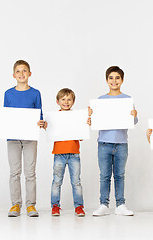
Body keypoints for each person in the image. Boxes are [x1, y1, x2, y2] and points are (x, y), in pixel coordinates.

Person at [0, 60, 44, 217]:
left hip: (30, 137)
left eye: (24, 71)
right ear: (14, 75)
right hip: (13, 138)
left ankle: (30, 205)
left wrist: (41, 122)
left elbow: (39, 113)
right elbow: (6, 114)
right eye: (18, 71)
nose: (21, 74)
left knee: (30, 172)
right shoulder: (8, 93)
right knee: (14, 172)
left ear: (30, 74)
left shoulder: (35, 93)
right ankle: (15, 204)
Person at [90, 66, 138, 216]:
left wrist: (134, 115)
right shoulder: (100, 100)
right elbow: (94, 122)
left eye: (117, 78)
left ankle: (120, 204)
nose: (114, 81)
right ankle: (103, 204)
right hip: (104, 142)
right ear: (106, 80)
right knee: (104, 175)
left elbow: (133, 122)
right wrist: (91, 115)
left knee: (119, 175)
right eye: (111, 78)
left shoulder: (127, 99)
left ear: (122, 80)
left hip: (121, 143)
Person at [44, 88, 89, 217]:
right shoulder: (53, 118)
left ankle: (79, 207)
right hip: (59, 154)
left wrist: (85, 124)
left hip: (74, 153)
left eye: (69, 99)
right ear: (57, 101)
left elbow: (80, 136)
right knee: (57, 181)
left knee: (76, 182)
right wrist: (46, 126)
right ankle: (55, 206)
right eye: (63, 99)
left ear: (73, 102)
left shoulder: (77, 117)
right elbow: (49, 132)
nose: (66, 102)